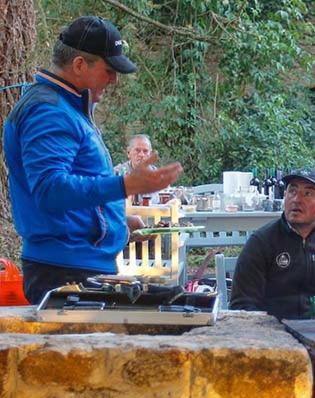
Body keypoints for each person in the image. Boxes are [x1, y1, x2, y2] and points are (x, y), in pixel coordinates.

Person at [3, 16, 182, 304]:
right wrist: (125, 185)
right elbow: (50, 190)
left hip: (75, 266)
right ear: (78, 65)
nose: (114, 80)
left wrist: (116, 223)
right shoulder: (49, 112)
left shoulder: (65, 106)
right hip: (63, 272)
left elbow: (73, 188)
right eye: (109, 70)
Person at [229, 167, 315, 320]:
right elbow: (242, 305)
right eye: (292, 191)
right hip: (274, 333)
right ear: (285, 196)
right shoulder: (261, 242)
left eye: (308, 193)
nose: (296, 199)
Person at [114, 134, 159, 204]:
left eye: (145, 151)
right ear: (128, 153)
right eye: (137, 150)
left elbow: (170, 195)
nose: (141, 155)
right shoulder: (117, 173)